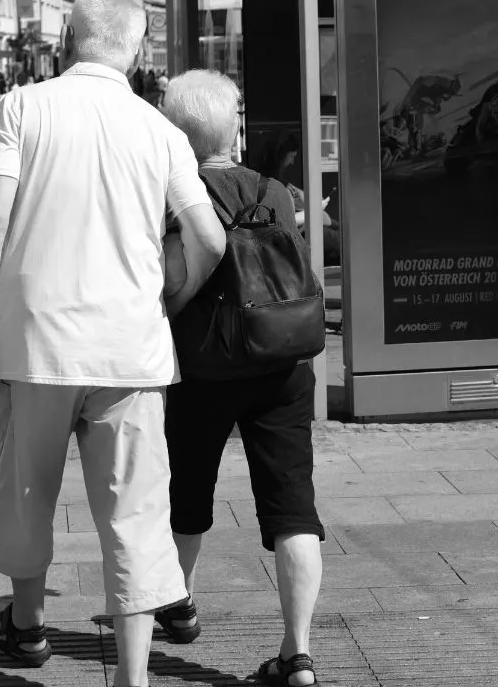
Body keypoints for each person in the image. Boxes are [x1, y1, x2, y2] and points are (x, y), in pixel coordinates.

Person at [0, 0, 226, 687]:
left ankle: (28, 625)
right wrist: (171, 297)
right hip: (130, 351)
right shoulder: (159, 130)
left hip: (34, 344)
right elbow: (208, 236)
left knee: (26, 492)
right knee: (134, 514)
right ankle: (132, 677)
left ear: (67, 37)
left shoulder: (22, 107)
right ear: (137, 49)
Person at [158, 69, 324, 687]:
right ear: (236, 127)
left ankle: (179, 607)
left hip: (203, 369)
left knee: (186, 494)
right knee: (292, 508)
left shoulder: (177, 195)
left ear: (174, 130)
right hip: (281, 364)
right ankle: (298, 654)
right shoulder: (279, 193)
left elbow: (172, 281)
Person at [255, 132, 340, 267]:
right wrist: (314, 211)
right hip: (296, 234)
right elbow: (282, 221)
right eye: (291, 157)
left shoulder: (277, 180)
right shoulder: (269, 185)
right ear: (281, 156)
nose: (293, 162)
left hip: (306, 225)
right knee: (340, 240)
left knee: (341, 230)